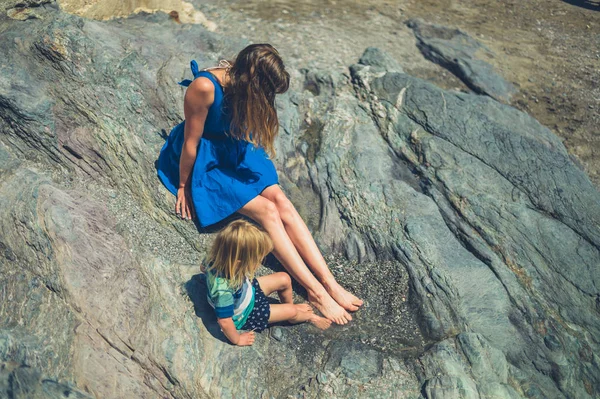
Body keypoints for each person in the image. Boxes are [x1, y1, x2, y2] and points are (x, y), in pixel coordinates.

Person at [157, 43, 363, 325]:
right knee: (267, 211)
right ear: (252, 79)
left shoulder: (242, 81)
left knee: (282, 203)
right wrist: (184, 185)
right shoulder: (204, 87)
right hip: (207, 158)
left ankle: (329, 282)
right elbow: (191, 143)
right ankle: (315, 292)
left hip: (233, 146)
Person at [204, 220, 331, 346]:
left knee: (284, 278)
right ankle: (305, 316)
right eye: (256, 260)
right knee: (291, 311)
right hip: (245, 314)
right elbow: (225, 322)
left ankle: (288, 309)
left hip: (246, 292)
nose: (259, 262)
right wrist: (237, 339)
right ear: (238, 263)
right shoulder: (223, 291)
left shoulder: (215, 259)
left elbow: (202, 268)